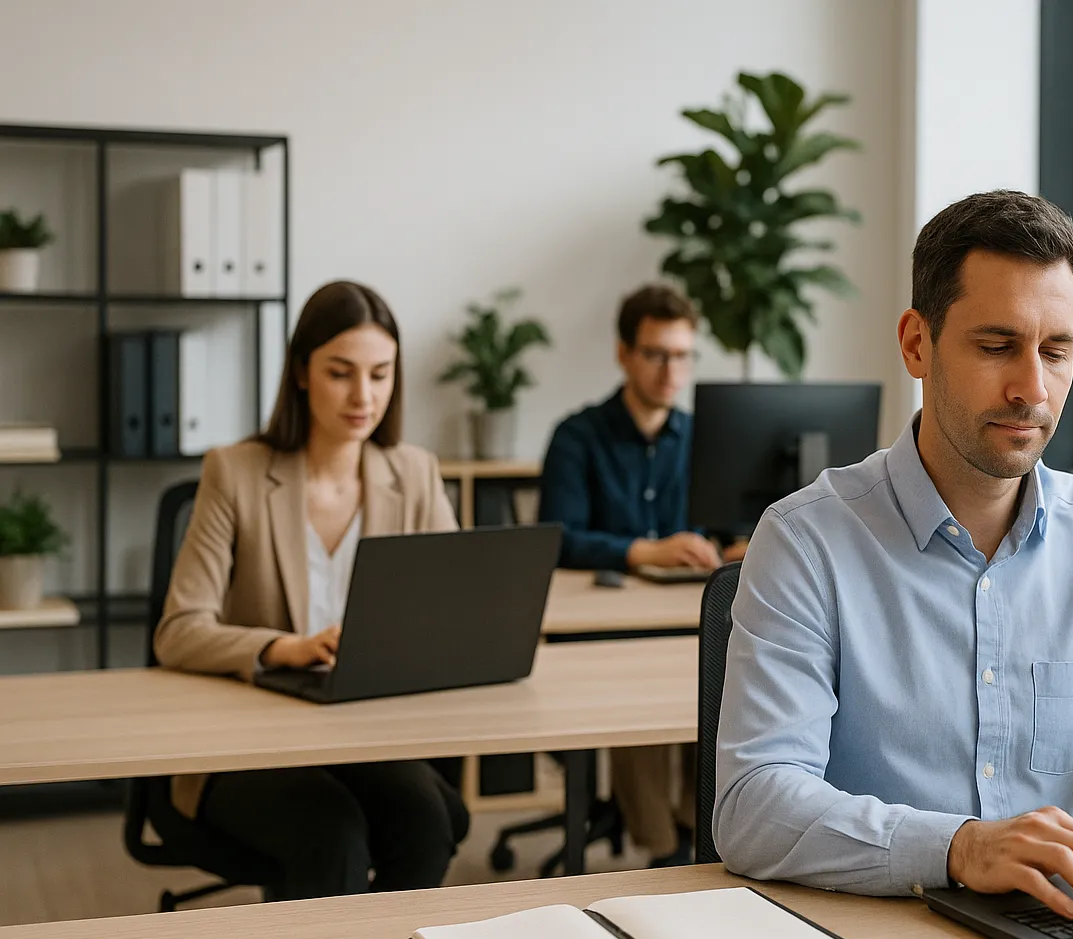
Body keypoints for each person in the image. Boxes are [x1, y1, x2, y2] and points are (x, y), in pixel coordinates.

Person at [713, 191, 1073, 918]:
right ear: (916, 344)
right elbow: (753, 805)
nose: (1033, 390)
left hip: (1047, 935)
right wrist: (960, 848)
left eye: (1057, 352)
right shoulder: (807, 542)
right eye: (997, 347)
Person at [155, 280, 470, 900]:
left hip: (366, 736)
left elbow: (455, 616)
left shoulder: (415, 473)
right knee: (330, 834)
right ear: (301, 373)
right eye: (340, 373)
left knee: (428, 824)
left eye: (381, 375)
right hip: (248, 746)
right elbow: (179, 629)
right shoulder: (236, 472)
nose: (364, 396)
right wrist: (281, 648)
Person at [539, 283, 740, 867]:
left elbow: (720, 523)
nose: (669, 370)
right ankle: (663, 843)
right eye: (655, 354)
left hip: (688, 616)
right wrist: (642, 552)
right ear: (623, 354)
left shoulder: (703, 438)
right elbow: (558, 537)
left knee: (719, 669)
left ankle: (696, 822)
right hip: (604, 629)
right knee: (648, 680)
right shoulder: (577, 437)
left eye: (682, 355)